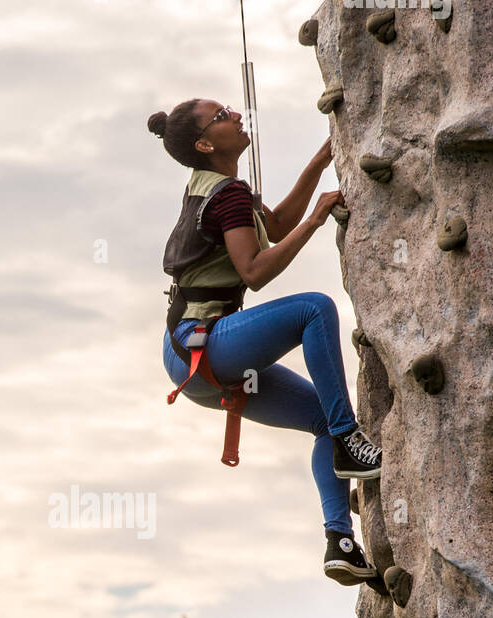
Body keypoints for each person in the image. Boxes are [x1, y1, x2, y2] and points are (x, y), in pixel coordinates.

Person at [149, 98, 381, 585]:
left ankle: (340, 541)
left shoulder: (217, 188)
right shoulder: (227, 195)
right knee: (314, 309)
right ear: (206, 144)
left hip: (194, 361)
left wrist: (320, 163)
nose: (236, 115)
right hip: (204, 346)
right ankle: (348, 438)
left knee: (319, 419)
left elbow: (272, 224)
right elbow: (254, 272)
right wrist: (315, 222)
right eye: (222, 116)